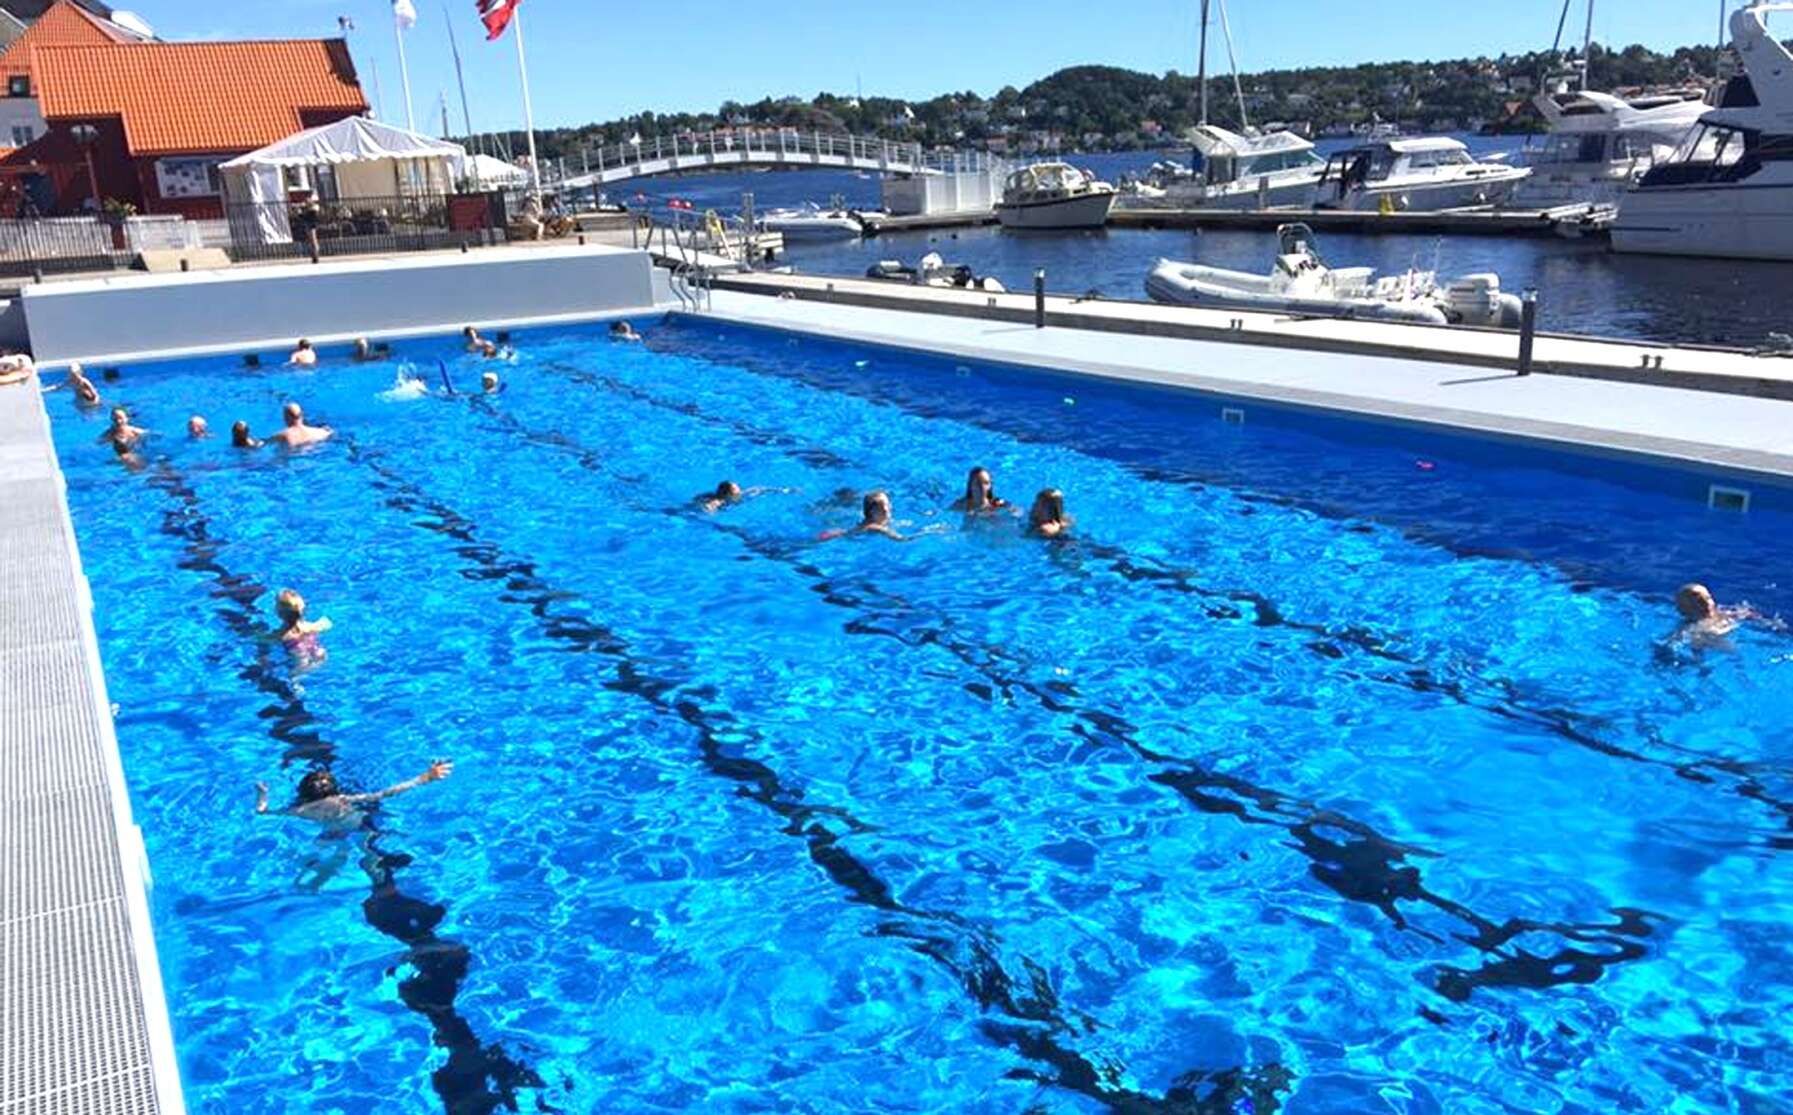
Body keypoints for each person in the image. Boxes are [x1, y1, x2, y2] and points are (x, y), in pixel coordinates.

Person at [256, 760, 453, 826]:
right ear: (335, 790)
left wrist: (263, 794)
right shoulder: (342, 800)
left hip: (330, 833)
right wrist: (424, 778)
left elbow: (263, 812)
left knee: (335, 854)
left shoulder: (301, 810)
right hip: (356, 825)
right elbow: (386, 793)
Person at [1672, 583, 1762, 648]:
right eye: (1698, 602)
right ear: (1683, 610)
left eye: (1708, 598)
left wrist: (1756, 618)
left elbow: (1746, 614)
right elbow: (1675, 641)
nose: (1706, 604)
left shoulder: (1723, 614)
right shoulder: (1689, 627)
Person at [272, 587, 333, 661]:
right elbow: (328, 624)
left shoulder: (280, 635)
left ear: (278, 613)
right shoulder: (310, 626)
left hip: (299, 658)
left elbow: (262, 639)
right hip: (319, 654)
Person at [822, 490, 909, 541]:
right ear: (872, 512)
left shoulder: (879, 520)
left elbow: (891, 525)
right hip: (832, 536)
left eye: (889, 505)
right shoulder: (873, 526)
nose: (889, 508)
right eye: (884, 508)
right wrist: (910, 537)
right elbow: (895, 537)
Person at [265, 401, 333, 448]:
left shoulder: (283, 435)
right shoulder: (319, 432)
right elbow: (331, 433)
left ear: (286, 418)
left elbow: (263, 443)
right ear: (302, 415)